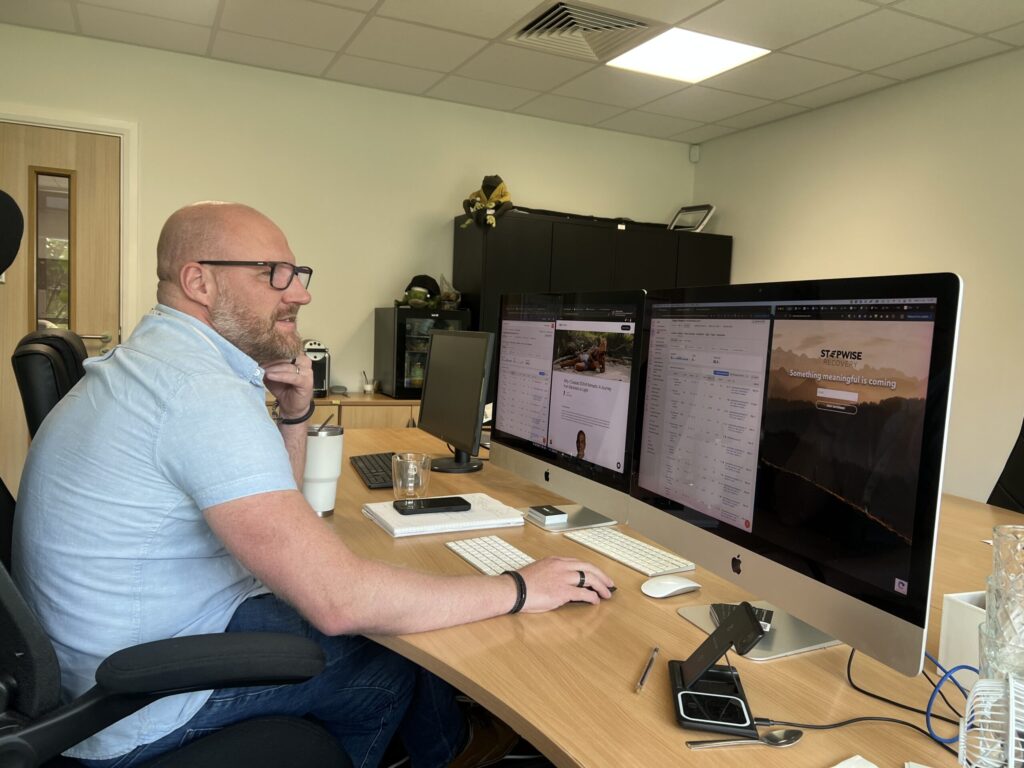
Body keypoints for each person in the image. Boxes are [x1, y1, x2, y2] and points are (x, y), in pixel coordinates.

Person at [12, 202, 615, 768]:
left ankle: (450, 738)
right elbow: (338, 601)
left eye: (297, 273)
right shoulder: (198, 394)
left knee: (397, 610)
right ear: (199, 282)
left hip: (118, 656)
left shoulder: (154, 364)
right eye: (273, 274)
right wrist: (517, 588)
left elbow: (284, 513)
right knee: (391, 658)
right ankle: (451, 752)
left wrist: (295, 413)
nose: (301, 292)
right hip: (137, 705)